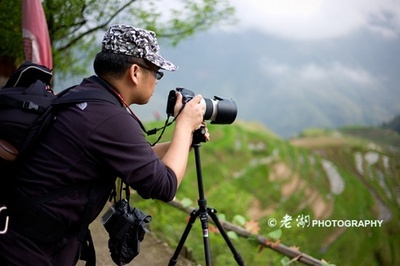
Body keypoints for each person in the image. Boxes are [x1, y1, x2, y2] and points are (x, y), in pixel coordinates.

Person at [0, 24, 208, 266]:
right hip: (26, 250)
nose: (157, 80)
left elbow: (141, 160)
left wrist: (184, 142)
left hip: (23, 235)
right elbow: (164, 185)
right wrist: (183, 125)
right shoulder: (110, 119)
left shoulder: (86, 95)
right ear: (135, 72)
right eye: (156, 72)